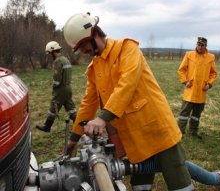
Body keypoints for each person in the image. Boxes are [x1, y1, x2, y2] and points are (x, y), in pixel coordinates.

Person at [63, 12, 194, 191]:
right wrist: (73, 138)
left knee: (180, 184)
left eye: (83, 45)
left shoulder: (127, 48)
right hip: (134, 138)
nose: (83, 51)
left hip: (158, 129)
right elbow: (88, 103)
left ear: (93, 34)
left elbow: (127, 85)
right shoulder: (95, 68)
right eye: (79, 48)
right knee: (140, 186)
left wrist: (102, 119)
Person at [177, 37, 217, 139]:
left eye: (202, 45)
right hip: (190, 91)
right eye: (198, 44)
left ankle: (193, 132)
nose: (200, 47)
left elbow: (214, 74)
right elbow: (181, 70)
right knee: (184, 113)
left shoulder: (211, 57)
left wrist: (209, 84)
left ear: (205, 46)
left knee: (196, 114)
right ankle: (179, 133)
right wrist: (185, 82)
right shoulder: (189, 55)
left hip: (201, 91)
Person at [36, 41, 77, 132]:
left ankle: (47, 126)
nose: (49, 55)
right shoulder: (65, 59)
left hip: (61, 89)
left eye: (49, 53)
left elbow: (57, 78)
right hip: (68, 87)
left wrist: (54, 86)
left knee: (54, 105)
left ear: (53, 51)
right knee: (71, 108)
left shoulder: (57, 61)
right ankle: (79, 128)